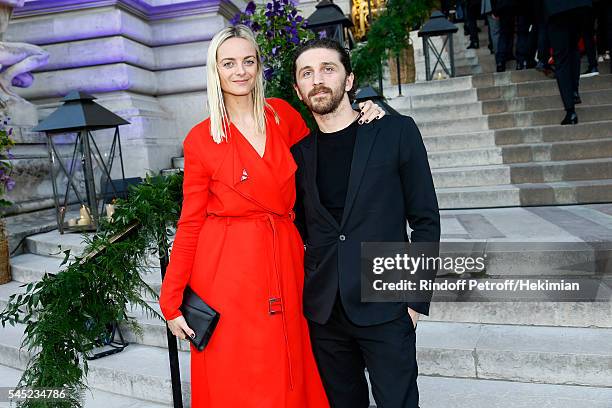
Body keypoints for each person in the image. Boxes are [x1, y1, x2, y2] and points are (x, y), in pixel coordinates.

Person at [158, 25, 384, 408]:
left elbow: (330, 139)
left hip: (285, 257)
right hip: (227, 272)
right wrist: (171, 297)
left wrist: (364, 109)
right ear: (215, 70)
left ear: (260, 66)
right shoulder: (201, 139)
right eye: (228, 63)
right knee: (242, 374)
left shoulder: (282, 116)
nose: (240, 70)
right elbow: (191, 221)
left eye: (248, 61)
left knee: (291, 362)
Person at [291, 38, 441, 408]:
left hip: (386, 303)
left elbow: (425, 220)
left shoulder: (395, 132)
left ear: (349, 80)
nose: (318, 80)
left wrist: (414, 299)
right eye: (306, 73)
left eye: (328, 69)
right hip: (325, 313)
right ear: (298, 90)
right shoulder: (298, 156)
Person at [544, 0, 593, 125]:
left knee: (562, 59)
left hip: (556, 9)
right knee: (573, 48)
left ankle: (570, 110)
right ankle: (574, 90)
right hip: (580, 7)